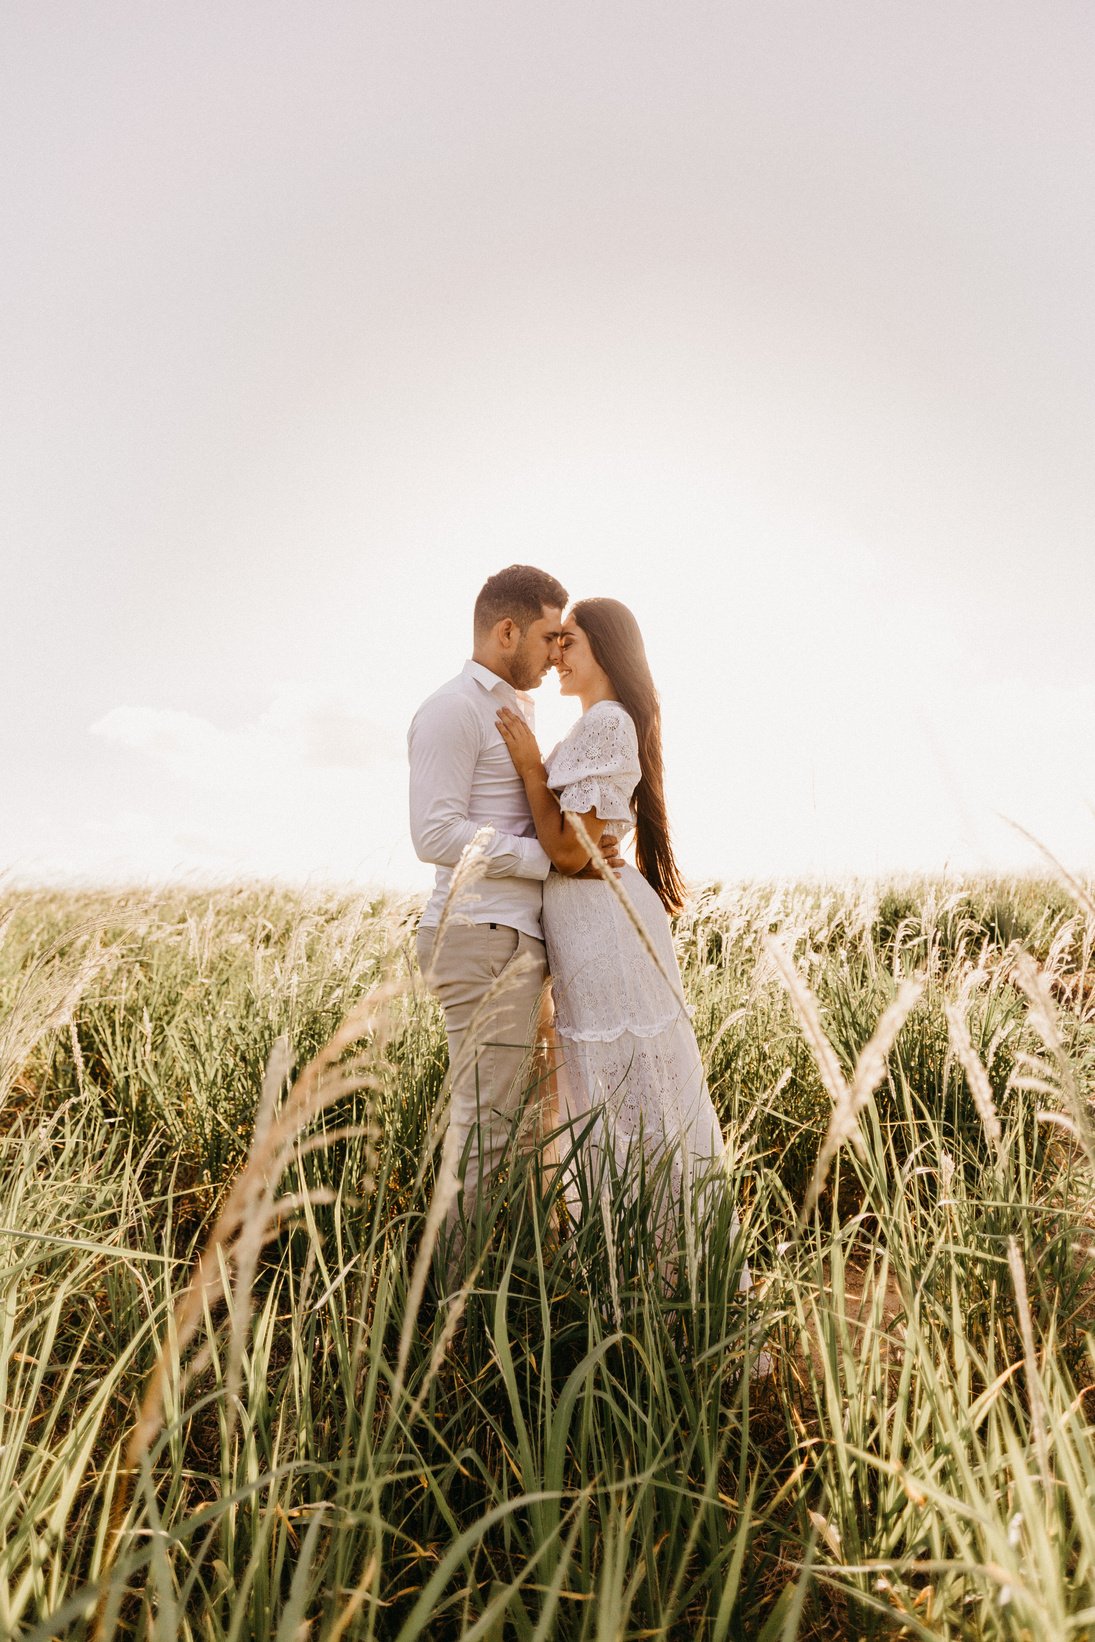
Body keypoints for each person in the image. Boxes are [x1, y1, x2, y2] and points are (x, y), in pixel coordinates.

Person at [495, 598, 743, 1267]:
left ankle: (660, 1276)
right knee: (612, 1091)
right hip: (589, 922)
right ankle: (637, 1268)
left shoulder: (605, 721)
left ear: (602, 646)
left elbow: (571, 854)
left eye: (567, 641)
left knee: (625, 1090)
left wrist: (526, 764)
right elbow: (573, 840)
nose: (555, 655)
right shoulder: (593, 726)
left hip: (601, 923)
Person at [409, 565, 622, 1252]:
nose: (555, 650)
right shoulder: (453, 708)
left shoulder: (520, 709)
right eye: (546, 635)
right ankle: (452, 1308)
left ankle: (521, 1278)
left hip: (514, 937)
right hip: (479, 932)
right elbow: (433, 834)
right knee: (487, 1128)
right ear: (506, 630)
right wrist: (557, 863)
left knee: (530, 1126)